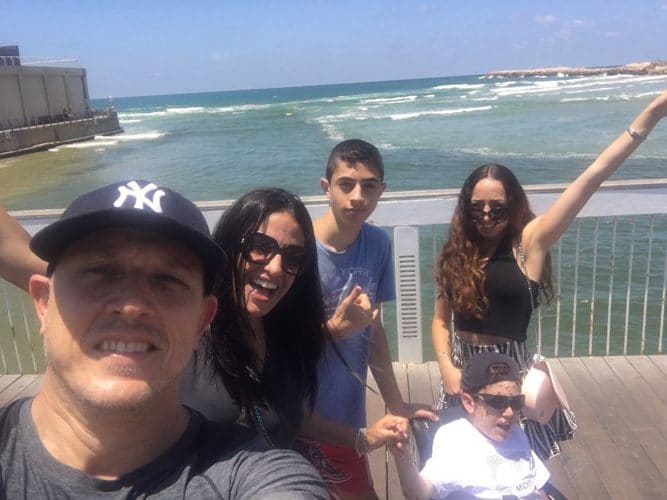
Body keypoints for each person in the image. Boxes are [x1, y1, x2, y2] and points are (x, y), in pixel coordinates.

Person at [0, 179, 328, 498]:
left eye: (166, 280)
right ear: (44, 302)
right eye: (100, 272)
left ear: (202, 320)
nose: (132, 306)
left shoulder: (250, 469)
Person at [432, 90, 667, 460]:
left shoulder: (531, 241)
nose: (488, 215)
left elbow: (593, 176)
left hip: (510, 373)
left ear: (514, 206)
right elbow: (440, 321)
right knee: (459, 469)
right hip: (461, 374)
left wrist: (652, 114)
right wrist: (446, 367)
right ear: (466, 208)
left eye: (498, 207)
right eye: (478, 208)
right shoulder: (458, 252)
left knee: (515, 471)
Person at [296, 139, 435, 499]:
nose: (358, 196)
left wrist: (395, 402)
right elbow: (277, 345)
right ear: (326, 187)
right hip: (298, 421)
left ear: (381, 191)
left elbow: (374, 330)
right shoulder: (298, 251)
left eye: (369, 186)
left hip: (348, 418)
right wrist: (336, 329)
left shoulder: (376, 244)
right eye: (346, 184)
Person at [182, 187, 328, 448]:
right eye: (260, 246)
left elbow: (287, 416)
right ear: (228, 245)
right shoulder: (187, 336)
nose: (275, 268)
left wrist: (361, 438)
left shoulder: (286, 336)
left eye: (293, 257)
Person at [390, 352, 550, 499]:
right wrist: (402, 458)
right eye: (497, 402)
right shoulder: (455, 438)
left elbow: (536, 485)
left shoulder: (516, 433)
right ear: (469, 402)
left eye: (516, 402)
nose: (509, 412)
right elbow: (419, 492)